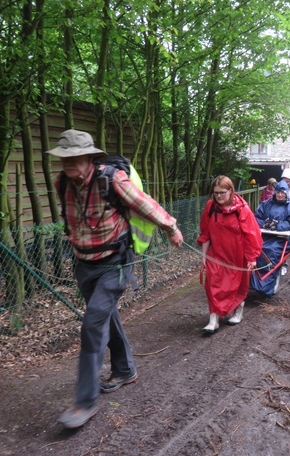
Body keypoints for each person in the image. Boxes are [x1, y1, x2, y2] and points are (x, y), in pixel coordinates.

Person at [47, 129, 184, 429]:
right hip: (84, 264)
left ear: (89, 158)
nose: (68, 164)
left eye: (74, 158)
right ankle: (125, 370)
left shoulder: (111, 179)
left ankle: (84, 402)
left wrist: (170, 227)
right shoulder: (62, 183)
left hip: (115, 263)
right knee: (106, 317)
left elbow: (144, 203)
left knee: (93, 324)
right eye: (64, 158)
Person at [198, 175, 263, 334]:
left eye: (222, 193)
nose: (218, 196)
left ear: (231, 191)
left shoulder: (242, 209)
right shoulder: (210, 207)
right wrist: (204, 257)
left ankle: (238, 311)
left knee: (236, 285)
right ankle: (213, 320)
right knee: (212, 285)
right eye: (216, 193)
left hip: (237, 255)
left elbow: (252, 234)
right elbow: (205, 233)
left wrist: (252, 257)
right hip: (216, 254)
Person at [251, 180, 290, 296]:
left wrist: (277, 225)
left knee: (271, 251)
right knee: (255, 250)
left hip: (281, 239)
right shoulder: (266, 204)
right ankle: (253, 282)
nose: (279, 195)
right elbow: (256, 217)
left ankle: (266, 285)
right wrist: (265, 223)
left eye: (282, 193)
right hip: (264, 236)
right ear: (274, 192)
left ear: (286, 193)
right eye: (278, 192)